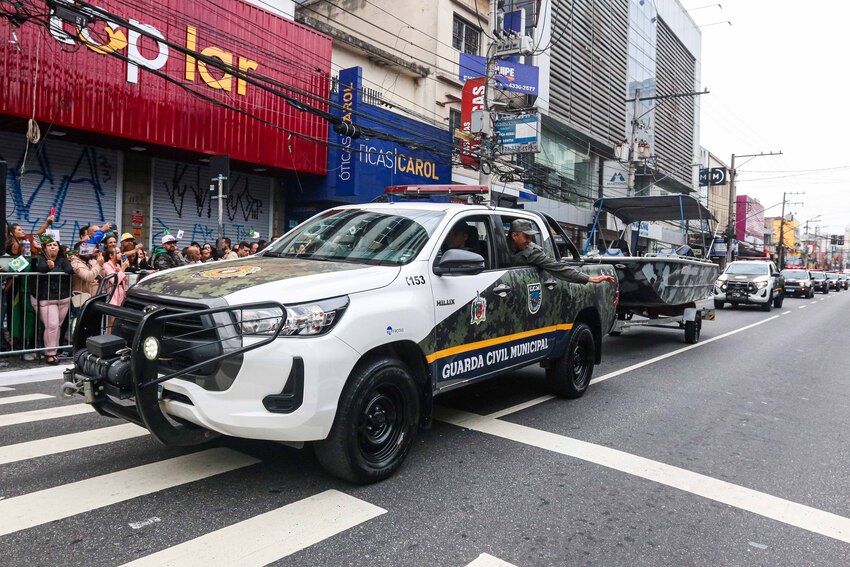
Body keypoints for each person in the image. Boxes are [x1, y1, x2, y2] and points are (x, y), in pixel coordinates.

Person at [507, 219, 615, 284]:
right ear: (514, 235)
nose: (529, 241)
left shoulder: (532, 252)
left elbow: (558, 267)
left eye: (531, 237)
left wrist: (591, 279)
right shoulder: (497, 245)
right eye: (526, 237)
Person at [29, 237, 74, 364]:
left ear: (59, 248)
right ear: (45, 248)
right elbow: (41, 269)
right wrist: (49, 267)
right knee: (52, 325)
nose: (53, 247)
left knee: (56, 327)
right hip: (45, 298)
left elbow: (70, 270)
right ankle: (50, 353)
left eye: (55, 245)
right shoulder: (39, 258)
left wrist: (72, 261)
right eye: (49, 245)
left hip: (63, 298)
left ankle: (54, 349)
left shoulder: (63, 260)